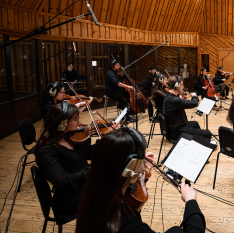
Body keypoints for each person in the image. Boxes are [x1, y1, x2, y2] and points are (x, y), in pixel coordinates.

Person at [75, 127, 205, 233]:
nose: (144, 163)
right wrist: (191, 202)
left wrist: (140, 173)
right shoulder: (131, 227)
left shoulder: (94, 198)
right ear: (130, 168)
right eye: (140, 161)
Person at [35, 102, 120, 223]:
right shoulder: (46, 152)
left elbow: (93, 153)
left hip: (85, 186)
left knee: (119, 187)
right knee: (112, 197)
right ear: (62, 123)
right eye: (75, 119)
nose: (79, 123)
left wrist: (109, 136)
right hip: (69, 198)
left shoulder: (73, 137)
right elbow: (63, 181)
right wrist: (93, 171)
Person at [163, 76, 212, 141]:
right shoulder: (173, 100)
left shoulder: (169, 96)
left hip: (177, 126)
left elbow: (179, 104)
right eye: (182, 84)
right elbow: (193, 103)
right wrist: (194, 96)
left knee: (195, 123)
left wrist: (184, 98)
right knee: (208, 134)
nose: (183, 86)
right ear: (176, 85)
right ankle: (197, 139)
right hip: (177, 132)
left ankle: (197, 138)